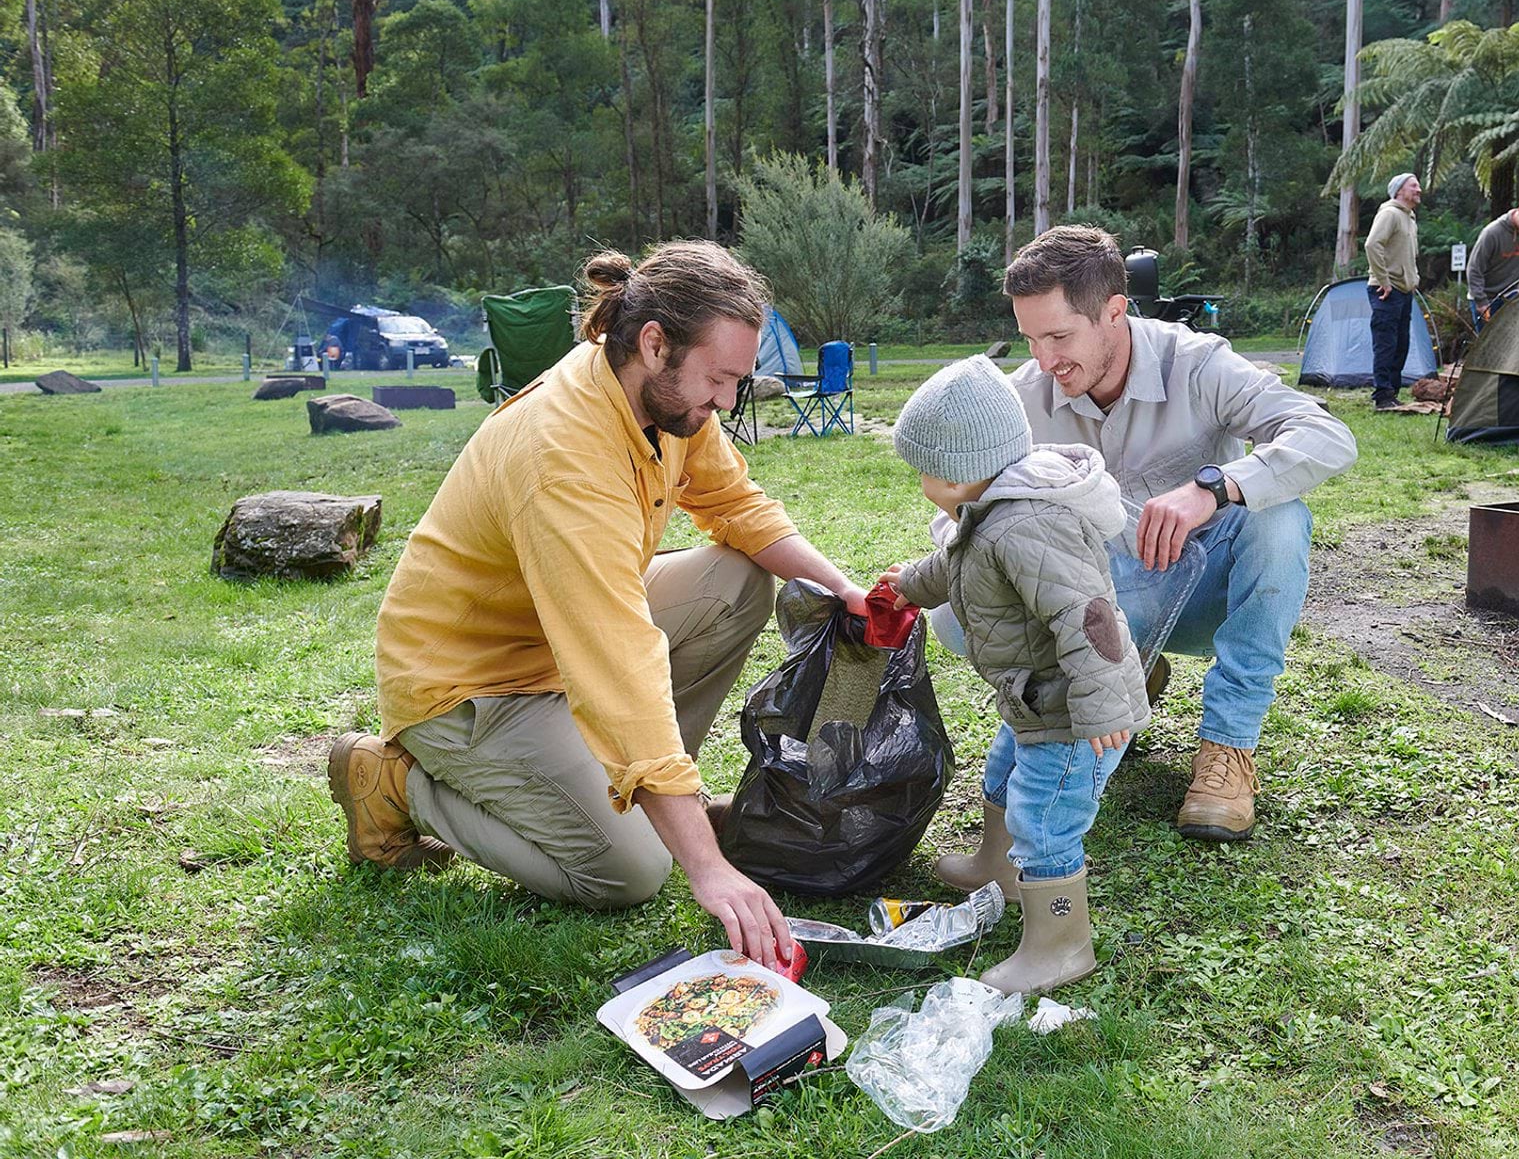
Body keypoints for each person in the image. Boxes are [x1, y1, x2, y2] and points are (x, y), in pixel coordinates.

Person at [330, 241, 871, 968]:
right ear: (654, 344)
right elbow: (617, 660)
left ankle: (646, 795)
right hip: (472, 684)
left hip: (558, 640)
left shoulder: (663, 399)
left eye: (737, 381)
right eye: (719, 378)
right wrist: (708, 868)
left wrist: (843, 589)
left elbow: (735, 504)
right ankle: (396, 784)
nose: (727, 401)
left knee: (736, 582)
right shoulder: (564, 458)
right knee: (631, 872)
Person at [990, 224, 1357, 843]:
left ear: (1114, 312)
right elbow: (970, 510)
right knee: (966, 601)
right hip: (1096, 609)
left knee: (1280, 517)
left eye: (1059, 336)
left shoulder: (1198, 364)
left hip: (1203, 593)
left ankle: (1228, 749)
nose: (1045, 361)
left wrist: (1214, 486)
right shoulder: (1022, 398)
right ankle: (1127, 669)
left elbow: (1328, 437)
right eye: (1030, 339)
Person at [880, 356, 1149, 994]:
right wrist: (909, 584)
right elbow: (955, 565)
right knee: (1003, 776)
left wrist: (1105, 709)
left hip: (1073, 712)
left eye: (923, 469)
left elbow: (1088, 616)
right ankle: (996, 868)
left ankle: (1061, 945)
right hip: (1034, 700)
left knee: (1046, 818)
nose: (920, 481)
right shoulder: (988, 513)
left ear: (956, 471)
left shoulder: (1029, 523)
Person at [1363, 172, 1422, 410]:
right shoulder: (1390, 214)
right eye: (1413, 186)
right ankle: (1382, 395)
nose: (1419, 190)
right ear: (1399, 191)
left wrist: (1414, 280)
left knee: (1401, 344)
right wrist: (1384, 280)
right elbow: (1372, 244)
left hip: (1404, 291)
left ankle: (1392, 392)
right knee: (1386, 344)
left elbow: (1408, 255)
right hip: (1386, 290)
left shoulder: (1410, 218)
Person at [1464, 197, 1519, 331]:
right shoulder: (1492, 233)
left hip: (1512, 295)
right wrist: (1481, 301)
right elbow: (1474, 269)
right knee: (1488, 339)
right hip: (1485, 297)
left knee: (1515, 338)